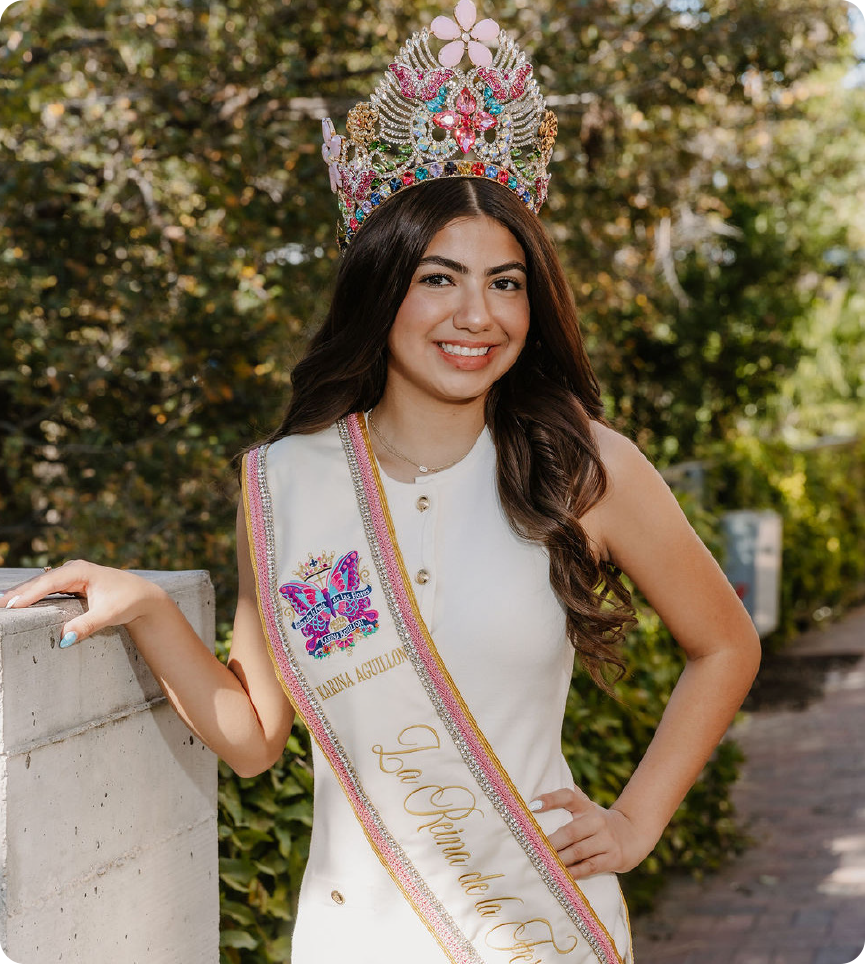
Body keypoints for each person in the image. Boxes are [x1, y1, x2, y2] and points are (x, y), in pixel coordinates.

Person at [1, 4, 761, 962]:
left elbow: (724, 643)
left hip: (535, 927)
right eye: (438, 278)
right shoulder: (284, 483)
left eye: (506, 281)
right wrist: (149, 607)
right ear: (381, 287)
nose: (477, 314)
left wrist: (636, 820)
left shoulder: (583, 466)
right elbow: (253, 736)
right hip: (353, 938)